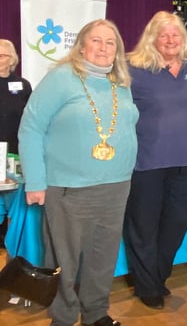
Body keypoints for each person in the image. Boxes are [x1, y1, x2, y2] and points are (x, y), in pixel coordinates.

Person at [18, 19, 138, 326]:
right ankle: (63, 316)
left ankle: (96, 313)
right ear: (81, 45)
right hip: (69, 188)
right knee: (64, 260)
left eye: (110, 42)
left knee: (103, 257)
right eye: (96, 40)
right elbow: (31, 128)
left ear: (118, 50)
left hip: (115, 186)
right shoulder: (61, 77)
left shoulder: (120, 82)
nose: (103, 47)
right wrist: (35, 181)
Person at [124, 11, 187, 310]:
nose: (170, 40)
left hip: (183, 160)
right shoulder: (134, 69)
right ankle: (147, 286)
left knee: (177, 221)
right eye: (164, 35)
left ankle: (156, 275)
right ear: (152, 38)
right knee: (144, 226)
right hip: (146, 162)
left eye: (175, 34)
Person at [0, 39, 32, 247]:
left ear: (12, 59)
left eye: (2, 55)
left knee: (15, 204)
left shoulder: (22, 85)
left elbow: (32, 118)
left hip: (15, 154)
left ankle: (11, 248)